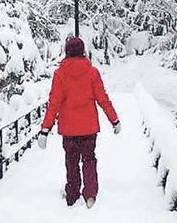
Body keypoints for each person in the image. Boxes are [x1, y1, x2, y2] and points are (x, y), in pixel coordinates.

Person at [37, 36, 121, 209]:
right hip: (89, 128)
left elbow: (54, 103)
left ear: (67, 52)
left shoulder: (60, 74)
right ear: (83, 51)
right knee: (89, 159)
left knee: (71, 160)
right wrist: (114, 119)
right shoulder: (92, 72)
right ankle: (90, 194)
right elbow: (102, 98)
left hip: (69, 129)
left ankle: (72, 193)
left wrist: (45, 128)